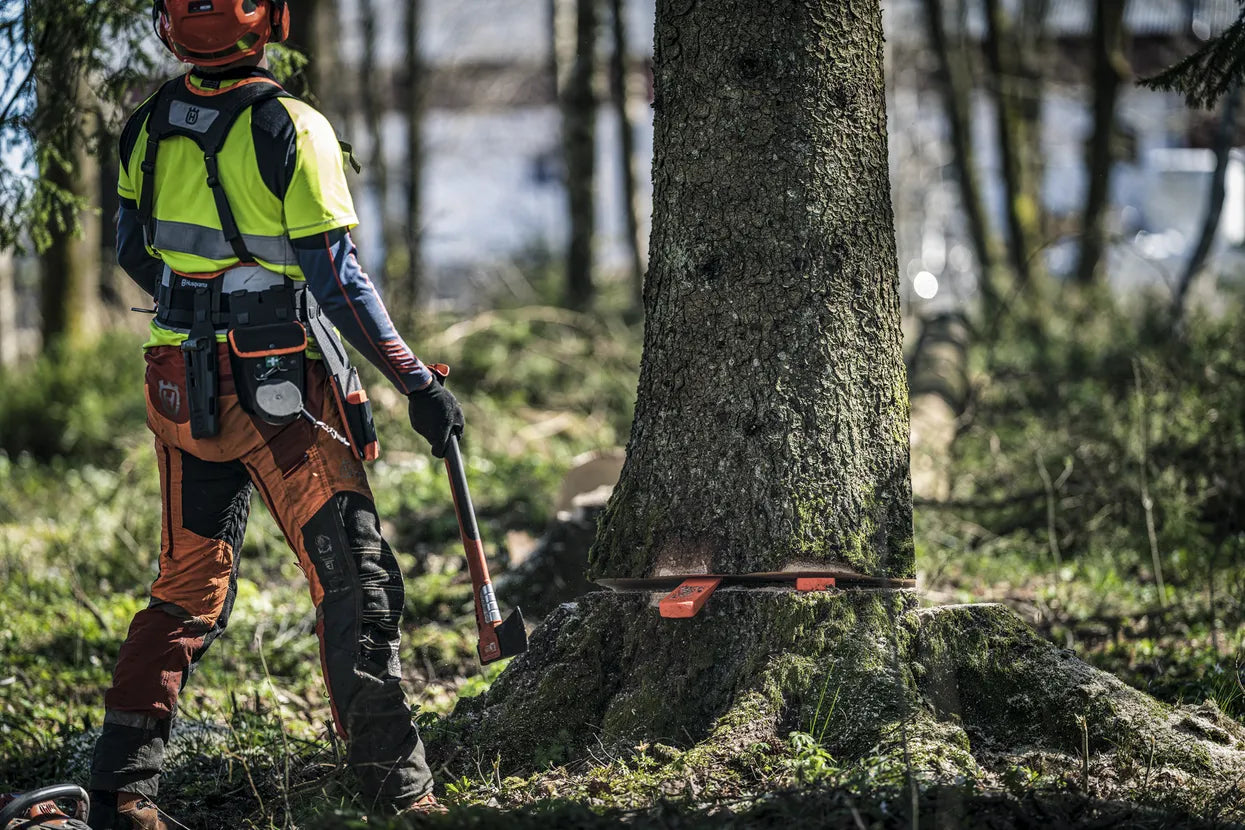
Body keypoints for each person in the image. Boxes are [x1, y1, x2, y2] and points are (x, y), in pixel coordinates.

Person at [87, 2, 462, 827]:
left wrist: (200, 305)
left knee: (186, 587)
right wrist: (416, 384)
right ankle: (400, 796)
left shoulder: (146, 126)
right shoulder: (294, 126)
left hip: (181, 385)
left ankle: (119, 790)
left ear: (168, 29)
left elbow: (129, 253)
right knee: (353, 582)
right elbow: (337, 282)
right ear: (273, 25)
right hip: (279, 390)